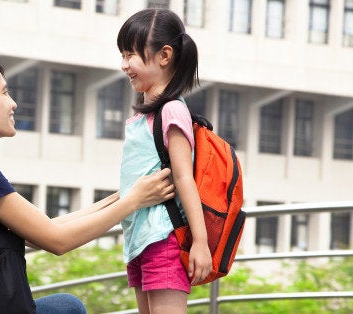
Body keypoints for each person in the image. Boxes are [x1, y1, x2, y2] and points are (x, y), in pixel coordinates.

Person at [0, 54, 176, 313]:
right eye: (4, 92)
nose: (13, 103)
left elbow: (45, 229)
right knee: (67, 308)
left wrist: (123, 196)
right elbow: (57, 240)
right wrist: (134, 201)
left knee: (64, 306)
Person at [116, 8, 213, 314]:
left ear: (164, 55)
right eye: (122, 55)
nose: (124, 65)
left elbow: (184, 178)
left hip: (163, 239)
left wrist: (200, 242)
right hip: (140, 241)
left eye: (131, 54)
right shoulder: (145, 116)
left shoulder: (172, 111)